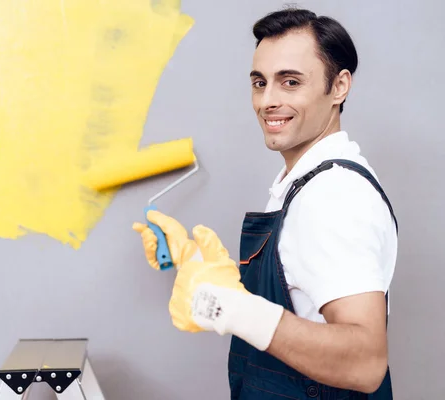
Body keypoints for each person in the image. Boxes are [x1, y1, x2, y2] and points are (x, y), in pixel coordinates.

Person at [133, 7, 398, 399]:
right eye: (260, 83)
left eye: (290, 82)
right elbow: (297, 300)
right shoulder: (304, 184)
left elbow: (365, 362)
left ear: (339, 86)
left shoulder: (334, 194)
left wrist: (226, 304)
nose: (267, 101)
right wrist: (196, 265)